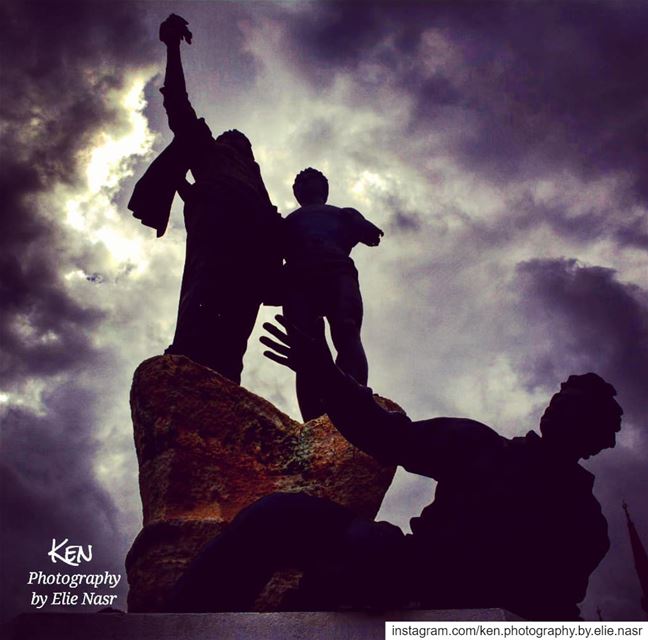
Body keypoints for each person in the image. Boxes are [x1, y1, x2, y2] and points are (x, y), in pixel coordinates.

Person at [168, 317, 622, 620]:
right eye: (559, 398)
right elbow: (384, 435)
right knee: (279, 515)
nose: (559, 406)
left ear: (595, 437)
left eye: (576, 407)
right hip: (406, 568)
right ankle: (177, 625)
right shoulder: (481, 446)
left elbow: (556, 607)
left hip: (463, 609)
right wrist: (327, 374)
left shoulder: (586, 523)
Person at [128, 14, 281, 383]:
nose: (237, 141)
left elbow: (282, 229)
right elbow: (178, 104)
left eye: (243, 142)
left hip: (260, 238)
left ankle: (225, 379)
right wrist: (172, 47)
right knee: (205, 297)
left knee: (239, 319)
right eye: (231, 138)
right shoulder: (208, 150)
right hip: (219, 222)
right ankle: (188, 367)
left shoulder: (256, 180)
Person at [282, 168, 383, 420]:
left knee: (347, 330)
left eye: (310, 179)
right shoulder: (285, 222)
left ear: (324, 188)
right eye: (300, 181)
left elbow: (371, 235)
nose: (304, 182)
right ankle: (315, 420)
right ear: (296, 192)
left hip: (338, 271)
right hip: (297, 278)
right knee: (306, 349)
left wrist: (359, 225)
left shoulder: (343, 214)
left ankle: (353, 402)